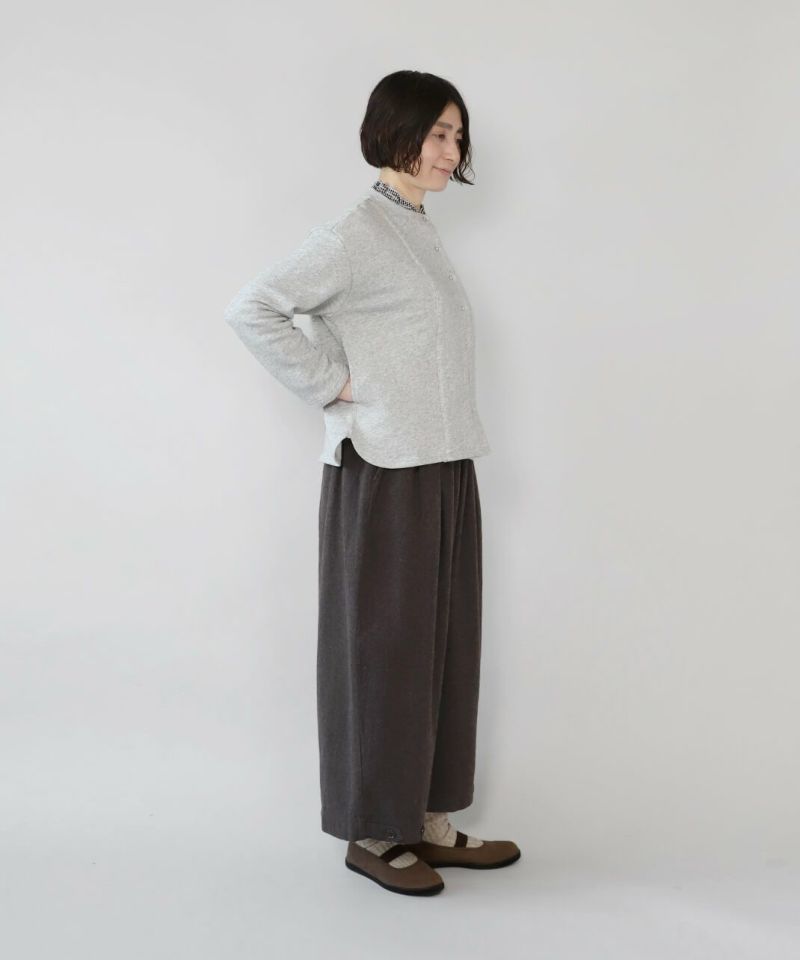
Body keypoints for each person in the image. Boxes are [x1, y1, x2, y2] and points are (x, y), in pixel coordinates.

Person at [224, 69, 520, 896]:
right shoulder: (356, 233)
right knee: (386, 651)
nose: (450, 149)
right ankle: (373, 831)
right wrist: (332, 383)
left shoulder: (416, 228)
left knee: (445, 649)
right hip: (385, 470)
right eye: (436, 133)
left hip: (446, 463)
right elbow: (253, 307)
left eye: (456, 134)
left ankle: (426, 819)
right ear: (394, 132)